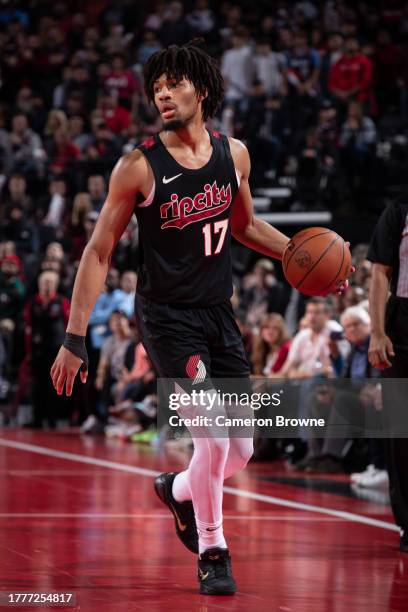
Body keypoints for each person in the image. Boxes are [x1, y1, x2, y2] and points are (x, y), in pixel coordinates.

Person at [50, 41, 351, 596]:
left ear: (202, 89)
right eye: (156, 85)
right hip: (167, 319)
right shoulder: (138, 166)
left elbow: (246, 226)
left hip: (218, 313)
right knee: (211, 440)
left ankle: (178, 490)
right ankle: (213, 549)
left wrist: (306, 261)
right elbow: (97, 252)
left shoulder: (232, 154)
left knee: (242, 449)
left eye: (174, 82)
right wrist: (74, 337)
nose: (162, 92)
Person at [367, 197, 408, 552]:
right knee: (401, 429)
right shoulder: (398, 209)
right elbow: (380, 271)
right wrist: (377, 331)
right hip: (403, 325)